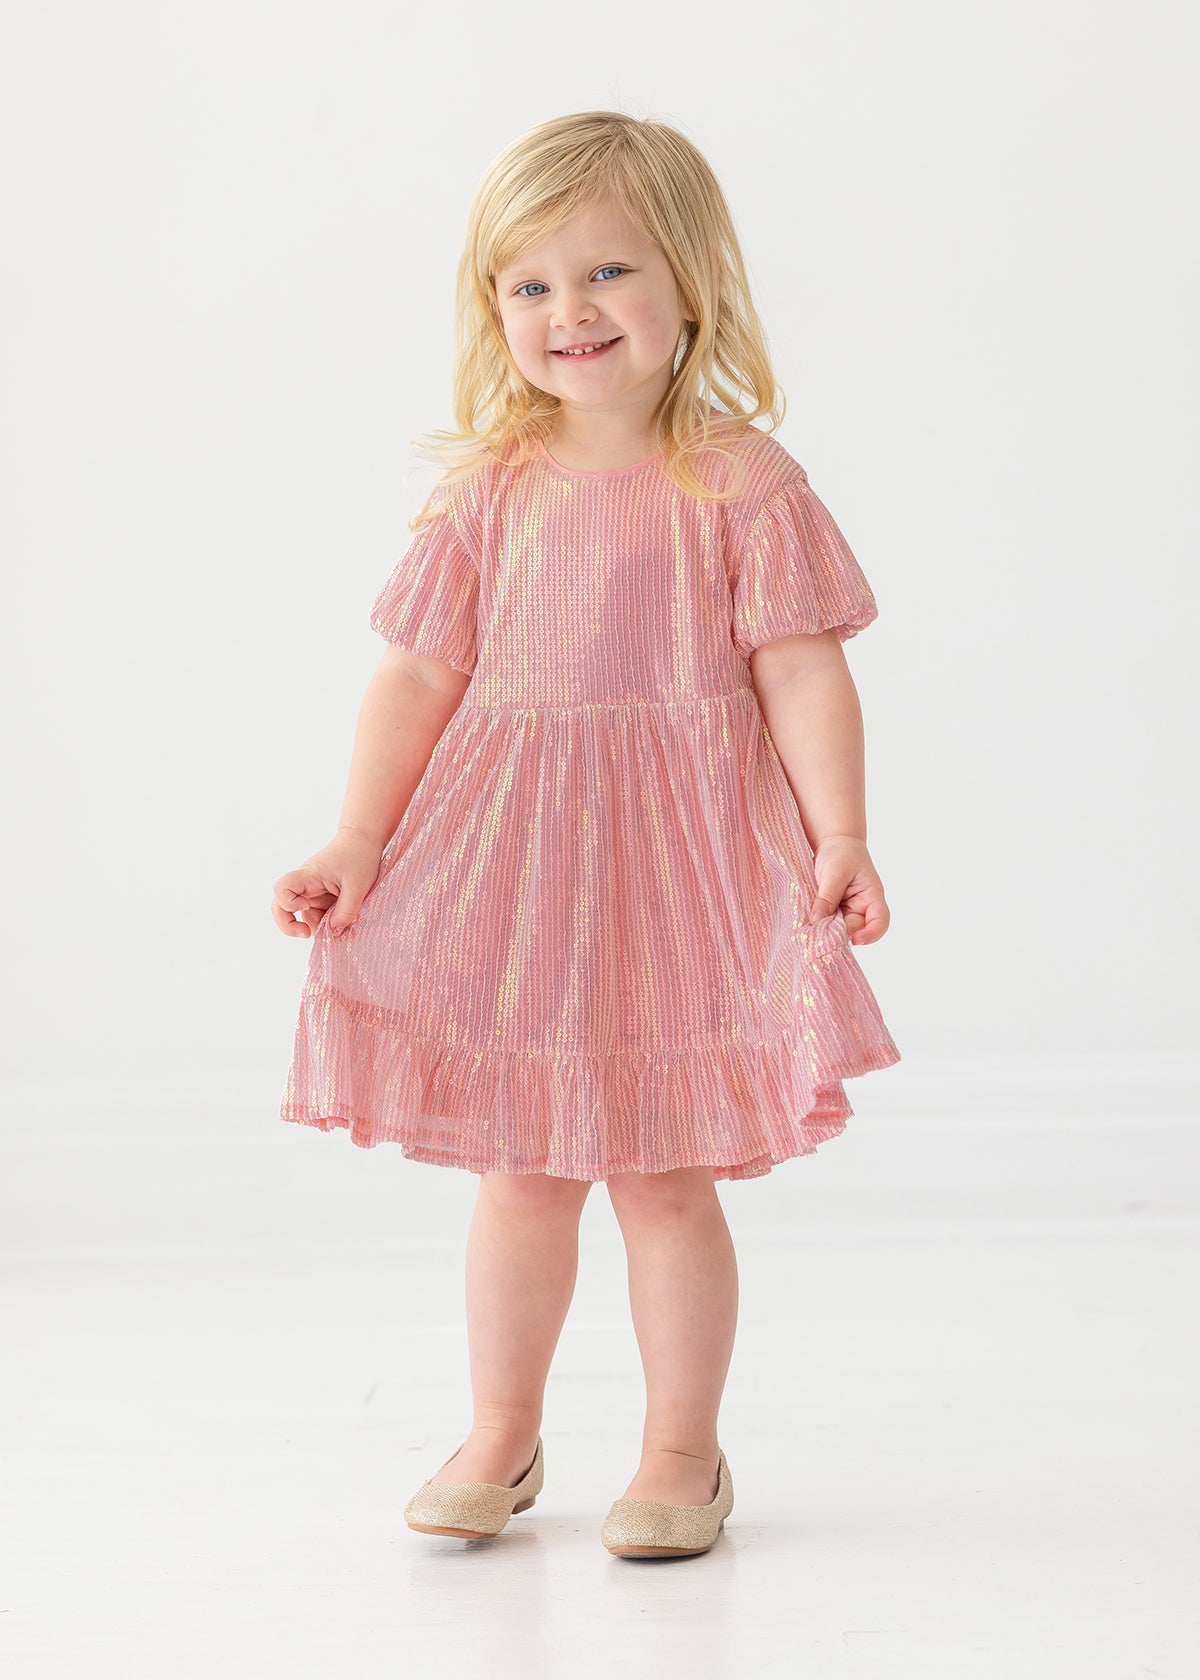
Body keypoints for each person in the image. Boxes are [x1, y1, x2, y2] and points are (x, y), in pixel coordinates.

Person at [271, 109, 901, 1560]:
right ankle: (503, 1427)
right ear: (492, 309)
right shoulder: (487, 493)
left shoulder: (738, 484)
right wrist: (358, 839)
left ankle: (684, 1448)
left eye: (611, 272)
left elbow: (801, 666)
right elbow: (418, 675)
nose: (573, 312)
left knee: (666, 1173)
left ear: (692, 286)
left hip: (683, 865)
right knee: (524, 1169)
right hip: (521, 864)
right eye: (533, 284)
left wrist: (842, 831)